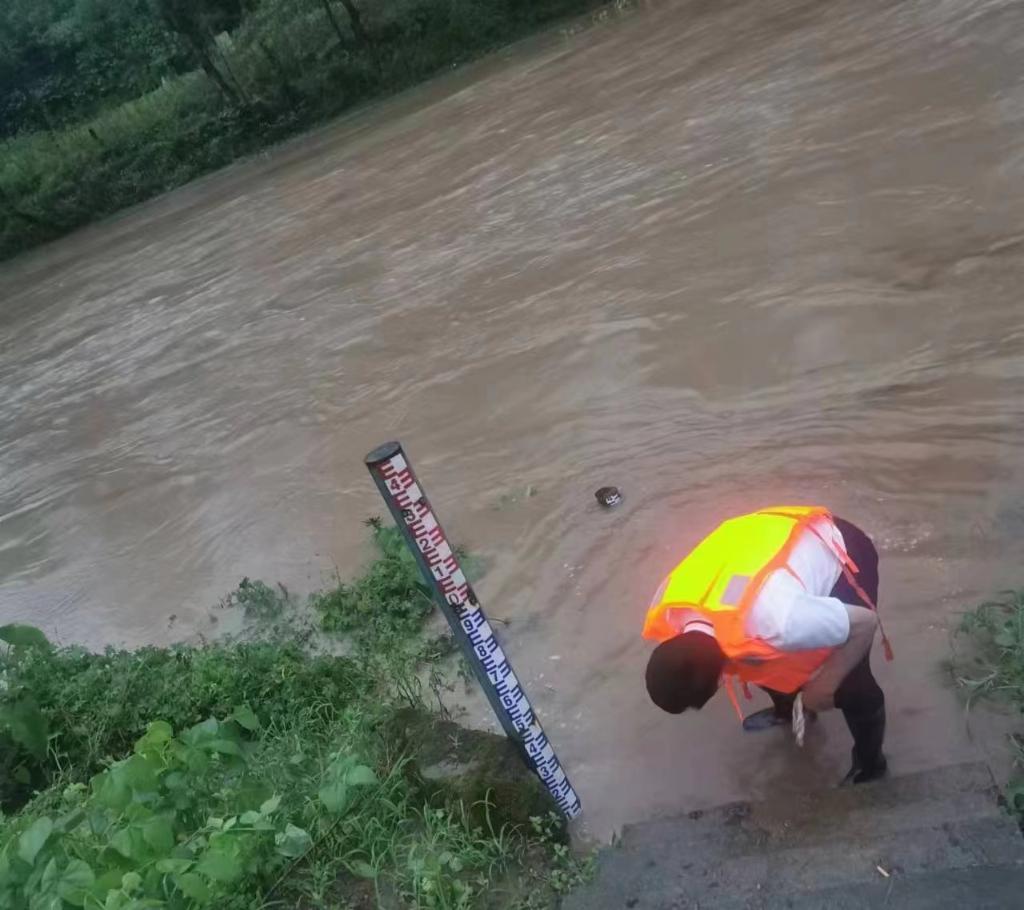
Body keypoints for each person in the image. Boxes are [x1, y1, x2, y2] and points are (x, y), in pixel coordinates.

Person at [642, 506, 890, 784]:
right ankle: (790, 712)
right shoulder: (673, 615)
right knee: (756, 656)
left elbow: (865, 624)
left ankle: (871, 767)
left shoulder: (778, 621)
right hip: (761, 541)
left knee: (852, 684)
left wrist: (826, 684)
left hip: (837, 547)